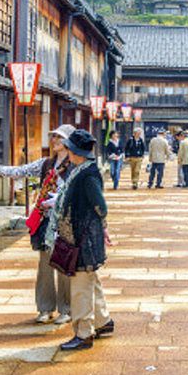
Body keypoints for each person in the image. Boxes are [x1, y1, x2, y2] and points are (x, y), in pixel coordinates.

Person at [0, 124, 74, 325]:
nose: (55, 140)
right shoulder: (47, 164)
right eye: (54, 136)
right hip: (45, 220)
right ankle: (45, 307)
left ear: (69, 142)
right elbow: (20, 171)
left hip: (64, 222)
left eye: (60, 137)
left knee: (63, 265)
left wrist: (62, 200)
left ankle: (67, 308)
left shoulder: (74, 165)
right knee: (45, 265)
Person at [57, 129, 113, 351]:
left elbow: (101, 206)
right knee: (91, 280)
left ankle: (83, 332)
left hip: (83, 237)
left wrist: (98, 225)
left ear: (76, 151)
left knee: (80, 286)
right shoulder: (81, 170)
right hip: (86, 234)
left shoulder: (87, 174)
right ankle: (103, 321)